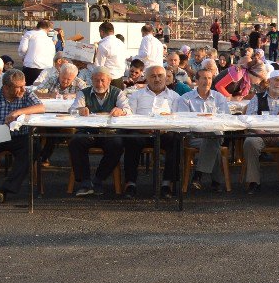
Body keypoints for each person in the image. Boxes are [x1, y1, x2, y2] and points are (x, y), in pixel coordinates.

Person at [0, 69, 45, 203]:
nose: (23, 89)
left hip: (20, 135)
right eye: (18, 87)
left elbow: (41, 107)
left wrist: (18, 112)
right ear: (6, 87)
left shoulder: (26, 93)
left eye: (23, 85)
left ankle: (5, 189)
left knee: (33, 147)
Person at [118, 65, 183, 197]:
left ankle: (166, 184)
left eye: (160, 76)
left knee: (176, 140)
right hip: (141, 131)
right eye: (153, 76)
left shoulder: (175, 96)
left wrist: (165, 128)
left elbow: (177, 119)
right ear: (146, 78)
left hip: (165, 132)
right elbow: (130, 117)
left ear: (166, 78)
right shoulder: (136, 95)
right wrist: (143, 128)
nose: (157, 79)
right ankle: (130, 183)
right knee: (131, 140)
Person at [67, 67, 131, 196]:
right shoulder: (83, 93)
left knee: (117, 145)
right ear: (91, 80)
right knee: (76, 142)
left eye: (103, 80)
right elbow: (71, 110)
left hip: (109, 132)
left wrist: (121, 111)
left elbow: (128, 110)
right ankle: (85, 181)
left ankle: (98, 180)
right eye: (96, 80)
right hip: (87, 131)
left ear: (109, 80)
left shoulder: (117, 92)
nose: (99, 84)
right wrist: (79, 110)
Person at [243, 70, 279, 194]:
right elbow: (249, 120)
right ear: (269, 81)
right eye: (276, 80)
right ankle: (254, 181)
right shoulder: (257, 98)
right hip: (261, 134)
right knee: (250, 142)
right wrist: (260, 132)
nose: (278, 84)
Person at [177, 68, 232, 191]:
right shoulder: (186, 98)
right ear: (196, 80)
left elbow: (225, 118)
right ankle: (216, 181)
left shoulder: (219, 97)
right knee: (214, 144)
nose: (207, 81)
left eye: (209, 78)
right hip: (194, 136)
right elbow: (184, 121)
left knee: (212, 137)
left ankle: (198, 174)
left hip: (215, 134)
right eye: (203, 78)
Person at [17, 19, 56, 85]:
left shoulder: (29, 33)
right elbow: (53, 54)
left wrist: (23, 56)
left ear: (37, 26)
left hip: (31, 67)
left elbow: (23, 49)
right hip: (47, 70)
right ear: (47, 29)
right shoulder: (50, 40)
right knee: (41, 92)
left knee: (27, 90)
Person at [91, 21, 127, 88]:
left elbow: (98, 67)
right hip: (120, 79)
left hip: (109, 81)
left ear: (101, 32)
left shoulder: (103, 45)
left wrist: (85, 65)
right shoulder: (120, 43)